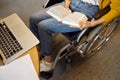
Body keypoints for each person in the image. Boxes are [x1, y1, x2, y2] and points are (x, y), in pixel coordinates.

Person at [29, 0, 120, 72]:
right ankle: (40, 45)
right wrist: (67, 4)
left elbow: (116, 9)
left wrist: (92, 24)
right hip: (73, 2)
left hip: (89, 10)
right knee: (33, 18)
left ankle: (48, 61)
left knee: (43, 26)